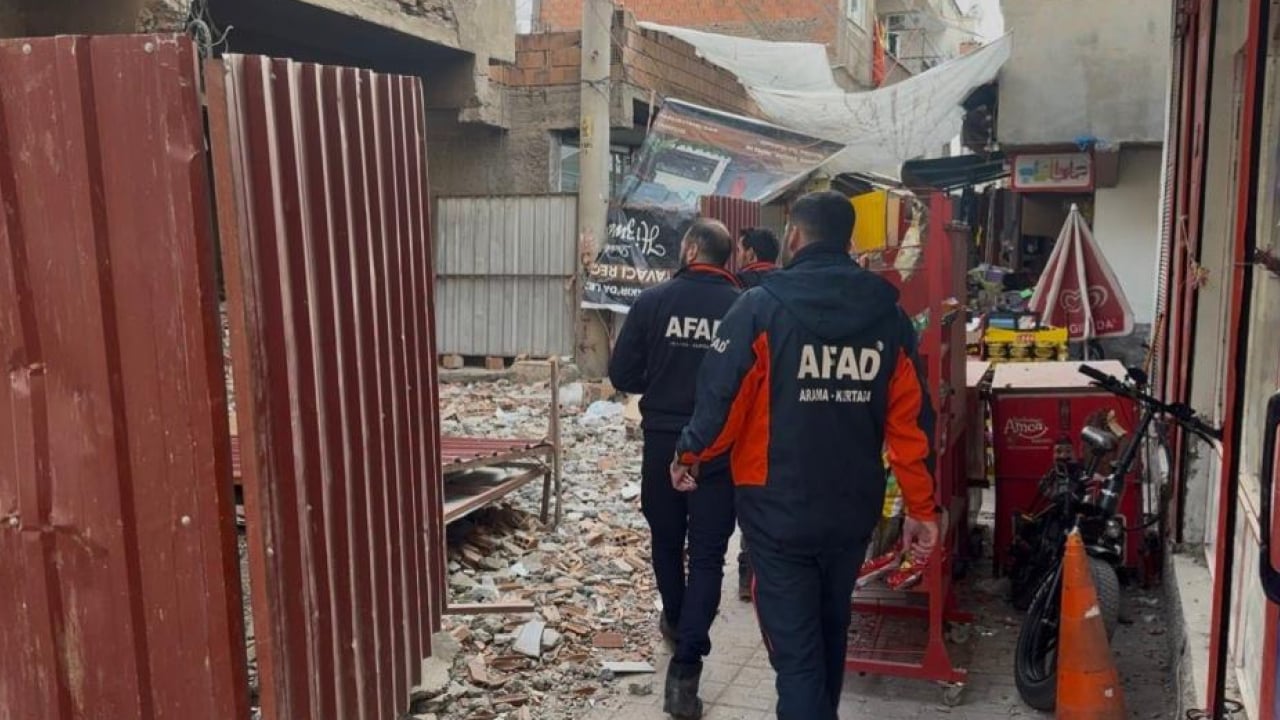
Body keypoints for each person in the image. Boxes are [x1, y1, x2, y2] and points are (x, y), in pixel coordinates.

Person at [670, 191, 940, 720]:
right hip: (850, 509)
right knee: (830, 632)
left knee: (796, 658)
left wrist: (690, 453)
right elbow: (911, 427)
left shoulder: (760, 308)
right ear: (850, 241)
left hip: (778, 514)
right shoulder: (888, 318)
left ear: (793, 235)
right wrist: (922, 509)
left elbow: (722, 401)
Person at [608, 218, 742, 720]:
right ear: (725, 257)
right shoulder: (742, 307)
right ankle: (686, 668)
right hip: (719, 447)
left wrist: (662, 379)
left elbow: (621, 373)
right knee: (708, 555)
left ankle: (677, 619)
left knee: (666, 539)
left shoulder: (652, 302)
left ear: (689, 248)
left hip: (663, 439)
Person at [731, 226, 781, 601]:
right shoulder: (789, 288)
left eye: (741, 248)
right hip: (781, 403)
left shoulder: (738, 288)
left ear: (749, 253)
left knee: (745, 485)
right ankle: (763, 568)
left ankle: (747, 571)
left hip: (741, 402)